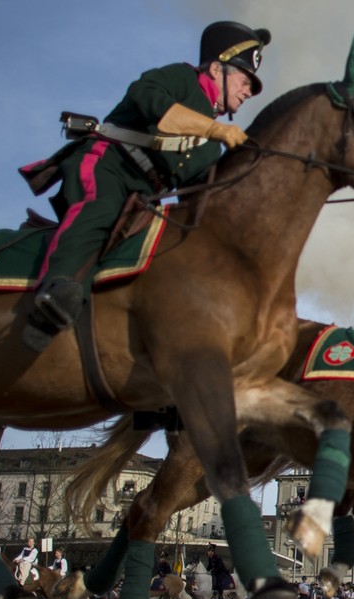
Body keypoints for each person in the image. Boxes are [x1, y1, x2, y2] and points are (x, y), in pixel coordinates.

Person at [19, 21, 271, 352]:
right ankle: (56, 293)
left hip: (143, 200)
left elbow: (200, 200)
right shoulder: (179, 78)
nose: (249, 90)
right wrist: (216, 130)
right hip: (108, 164)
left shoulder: (212, 148)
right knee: (99, 209)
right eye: (244, 79)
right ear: (215, 69)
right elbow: (151, 103)